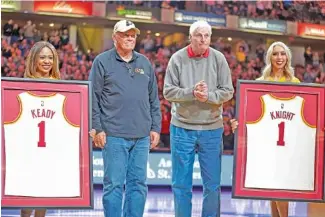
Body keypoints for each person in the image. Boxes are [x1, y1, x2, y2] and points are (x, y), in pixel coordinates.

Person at [89, 20, 161, 217]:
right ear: (114, 37)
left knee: (138, 184)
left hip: (142, 136)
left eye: (133, 35)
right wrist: (97, 127)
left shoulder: (145, 63)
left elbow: (153, 98)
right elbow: (92, 97)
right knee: (113, 184)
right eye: (125, 34)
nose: (130, 38)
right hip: (113, 135)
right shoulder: (102, 61)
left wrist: (155, 127)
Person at [163, 20, 234, 217]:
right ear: (190, 37)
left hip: (212, 128)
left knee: (212, 185)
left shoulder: (219, 59)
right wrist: (191, 93)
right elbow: (168, 91)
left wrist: (209, 96)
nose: (203, 39)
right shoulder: (177, 59)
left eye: (207, 36)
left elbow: (228, 91)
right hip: (182, 128)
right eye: (199, 35)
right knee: (180, 184)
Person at [230, 41, 301, 217]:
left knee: (281, 186)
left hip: (287, 140)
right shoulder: (260, 82)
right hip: (266, 141)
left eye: (283, 54)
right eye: (276, 54)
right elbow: (251, 112)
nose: (279, 58)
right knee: (271, 187)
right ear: (270, 57)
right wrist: (238, 124)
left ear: (288, 57)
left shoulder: (295, 82)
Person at [20, 41, 60, 217]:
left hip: (51, 145)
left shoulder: (61, 85)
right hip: (28, 145)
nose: (47, 61)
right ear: (34, 59)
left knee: (45, 190)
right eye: (42, 57)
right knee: (29, 190)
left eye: (50, 57)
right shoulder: (21, 84)